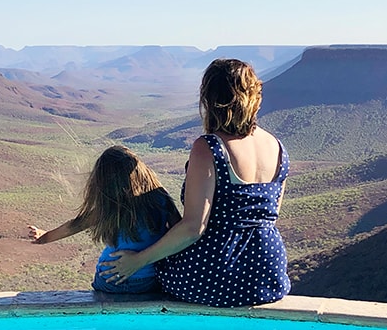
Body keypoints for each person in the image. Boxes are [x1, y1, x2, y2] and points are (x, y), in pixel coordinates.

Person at [100, 58, 290, 307]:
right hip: (268, 273)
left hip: (216, 272)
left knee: (149, 270)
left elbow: (193, 228)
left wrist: (138, 260)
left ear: (211, 99)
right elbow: (270, 216)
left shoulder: (210, 148)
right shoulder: (277, 146)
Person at [28, 145, 181, 293]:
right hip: (149, 280)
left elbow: (74, 226)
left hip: (110, 280)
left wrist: (44, 236)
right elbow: (179, 230)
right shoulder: (161, 199)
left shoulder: (109, 208)